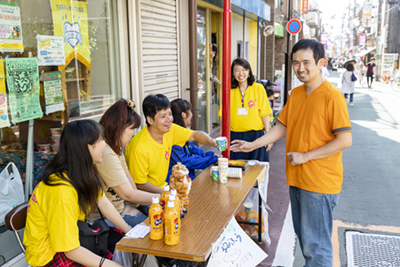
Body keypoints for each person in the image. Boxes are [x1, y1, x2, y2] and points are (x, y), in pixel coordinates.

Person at [231, 39, 352, 266]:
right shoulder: (296, 94)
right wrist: (253, 145)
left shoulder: (332, 96)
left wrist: (306, 156)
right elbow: (281, 127)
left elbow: (345, 139)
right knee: (306, 240)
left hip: (320, 182)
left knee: (317, 248)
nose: (300, 68)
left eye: (306, 62)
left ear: (321, 62)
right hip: (297, 178)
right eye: (296, 63)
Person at [23, 120, 131, 267]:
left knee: (121, 242)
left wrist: (130, 233)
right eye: (101, 140)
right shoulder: (62, 192)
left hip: (73, 237)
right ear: (86, 147)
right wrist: (112, 265)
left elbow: (103, 203)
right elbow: (70, 250)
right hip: (48, 256)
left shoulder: (81, 172)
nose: (105, 145)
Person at [125, 94, 217, 195]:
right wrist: (168, 193)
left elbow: (194, 135)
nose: (169, 119)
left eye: (170, 114)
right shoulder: (139, 147)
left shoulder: (170, 130)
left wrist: (211, 141)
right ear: (150, 120)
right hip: (146, 197)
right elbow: (139, 184)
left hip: (164, 189)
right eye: (163, 116)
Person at [87, 99, 159, 228]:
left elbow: (128, 179)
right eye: (132, 129)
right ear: (119, 127)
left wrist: (140, 203)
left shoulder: (116, 147)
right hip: (104, 219)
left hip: (120, 208)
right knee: (155, 228)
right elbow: (127, 194)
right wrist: (165, 197)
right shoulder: (106, 154)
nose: (133, 133)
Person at [219, 58, 272, 161]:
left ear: (249, 71)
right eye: (237, 70)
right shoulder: (228, 90)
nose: (241, 73)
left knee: (256, 171)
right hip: (234, 136)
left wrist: (268, 137)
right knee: (235, 170)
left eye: (244, 69)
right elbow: (224, 115)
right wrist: (222, 137)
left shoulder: (258, 88)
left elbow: (264, 113)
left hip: (256, 136)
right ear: (233, 73)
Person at [166, 99, 219, 183]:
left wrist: (210, 155)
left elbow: (194, 149)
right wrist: (211, 159)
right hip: (177, 185)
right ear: (183, 114)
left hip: (187, 181)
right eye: (189, 111)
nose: (192, 114)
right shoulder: (173, 136)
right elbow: (186, 162)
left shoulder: (184, 133)